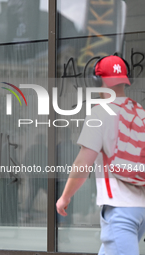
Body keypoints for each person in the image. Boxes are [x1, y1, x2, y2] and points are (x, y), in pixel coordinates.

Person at [56, 55, 145, 255]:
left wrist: (65, 197)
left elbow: (83, 164)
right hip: (141, 209)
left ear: (98, 81)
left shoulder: (100, 113)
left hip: (119, 211)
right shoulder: (139, 111)